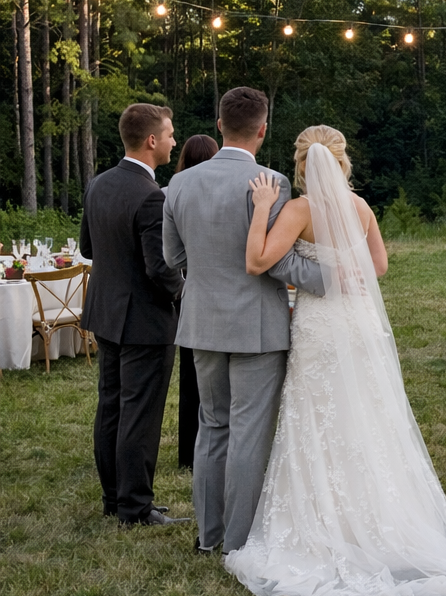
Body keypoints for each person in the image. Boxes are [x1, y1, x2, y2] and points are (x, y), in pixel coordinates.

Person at [223, 126, 446, 596]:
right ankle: (378, 520)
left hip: (320, 328)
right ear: (342, 161)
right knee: (365, 418)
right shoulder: (361, 208)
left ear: (301, 164)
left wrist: (262, 208)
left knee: (319, 421)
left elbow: (257, 261)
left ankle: (327, 525)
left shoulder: (298, 210)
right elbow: (378, 266)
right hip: (359, 325)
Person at [162, 87, 323, 555]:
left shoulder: (178, 184)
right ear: (263, 129)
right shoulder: (272, 182)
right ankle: (240, 542)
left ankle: (209, 536)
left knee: (212, 426)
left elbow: (173, 258)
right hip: (257, 326)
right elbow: (276, 261)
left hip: (202, 322)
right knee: (248, 432)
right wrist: (336, 277)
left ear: (219, 125)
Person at [80, 103, 186, 526]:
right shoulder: (151, 196)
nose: (175, 141)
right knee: (139, 414)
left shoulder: (98, 184)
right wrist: (184, 293)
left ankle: (114, 498)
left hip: (105, 312)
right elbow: (160, 268)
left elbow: (87, 248)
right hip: (144, 320)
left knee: (111, 406)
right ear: (152, 140)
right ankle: (136, 508)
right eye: (171, 134)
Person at [172, 134, 219, 470]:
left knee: (190, 375)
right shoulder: (223, 195)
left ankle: (188, 452)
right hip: (216, 288)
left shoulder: (173, 193)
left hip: (188, 289)